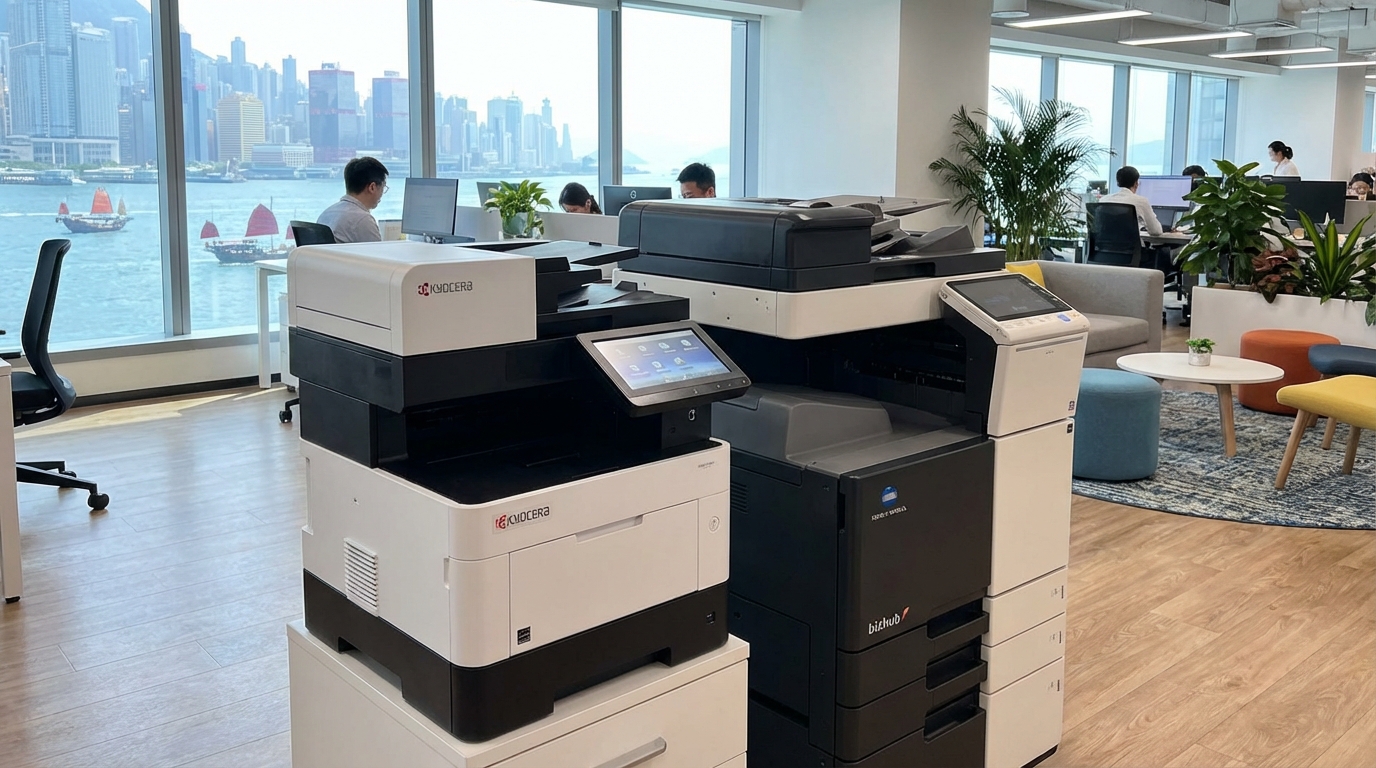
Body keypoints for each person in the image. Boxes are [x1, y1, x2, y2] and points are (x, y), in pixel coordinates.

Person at [317, 156, 389, 243]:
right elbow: (378, 254)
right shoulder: (363, 220)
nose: (382, 193)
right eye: (383, 187)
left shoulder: (326, 213)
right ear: (372, 187)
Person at [1100, 165, 1164, 237]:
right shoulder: (1141, 201)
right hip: (1132, 247)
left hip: (1105, 247)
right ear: (1136, 183)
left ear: (1118, 183)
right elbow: (1156, 231)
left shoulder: (1103, 200)